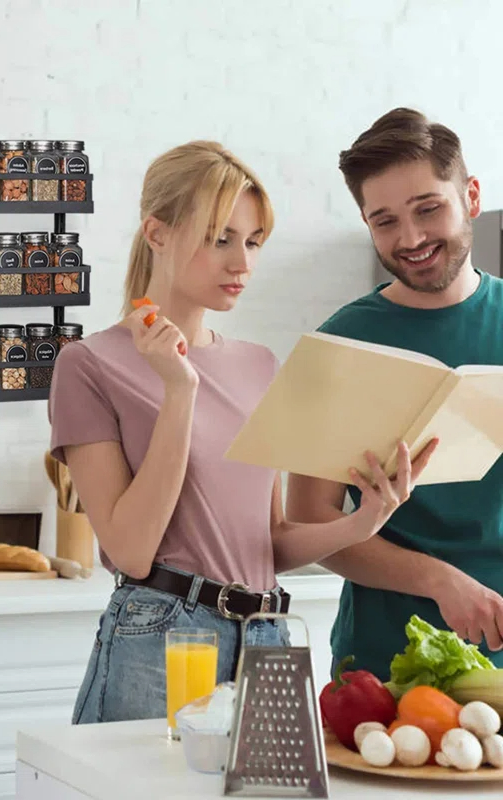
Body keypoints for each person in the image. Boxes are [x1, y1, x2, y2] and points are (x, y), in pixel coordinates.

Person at [48, 140, 436, 725]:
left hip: (269, 638)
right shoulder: (90, 364)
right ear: (157, 232)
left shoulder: (258, 364)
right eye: (219, 238)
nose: (242, 263)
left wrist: (363, 521)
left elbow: (268, 541)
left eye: (252, 242)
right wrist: (179, 392)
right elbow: (129, 551)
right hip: (165, 634)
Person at [286, 108, 503, 680]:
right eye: (384, 221)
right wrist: (438, 578)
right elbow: (309, 525)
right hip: (383, 667)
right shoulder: (338, 345)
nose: (410, 239)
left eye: (428, 209)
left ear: (471, 196)